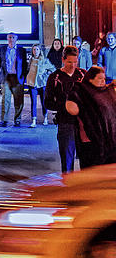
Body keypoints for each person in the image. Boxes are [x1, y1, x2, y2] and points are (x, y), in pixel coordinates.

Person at [66, 66, 116, 168]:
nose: (103, 81)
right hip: (89, 141)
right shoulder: (81, 91)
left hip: (109, 142)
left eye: (104, 79)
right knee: (90, 170)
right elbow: (72, 109)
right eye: (99, 78)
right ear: (90, 79)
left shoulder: (107, 92)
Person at [45, 44, 84, 173]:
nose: (72, 65)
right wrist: (64, 106)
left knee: (87, 158)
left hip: (84, 123)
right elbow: (48, 102)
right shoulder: (54, 78)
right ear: (63, 59)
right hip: (66, 123)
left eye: (75, 62)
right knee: (67, 159)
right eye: (69, 62)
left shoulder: (83, 75)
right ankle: (68, 186)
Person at [0, 32, 28, 127]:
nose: (11, 39)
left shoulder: (22, 50)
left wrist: (24, 77)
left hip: (17, 78)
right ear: (7, 38)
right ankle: (4, 120)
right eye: (9, 37)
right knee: (5, 99)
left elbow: (25, 65)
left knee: (18, 100)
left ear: (16, 39)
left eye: (13, 37)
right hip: (6, 77)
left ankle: (17, 119)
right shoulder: (2, 49)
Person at [26, 44, 54, 127]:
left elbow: (52, 69)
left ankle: (45, 117)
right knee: (33, 102)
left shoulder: (44, 60)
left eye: (37, 49)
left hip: (42, 83)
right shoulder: (31, 60)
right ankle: (33, 120)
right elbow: (28, 70)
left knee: (43, 101)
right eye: (34, 49)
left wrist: (46, 74)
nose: (35, 51)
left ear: (40, 50)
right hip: (32, 83)